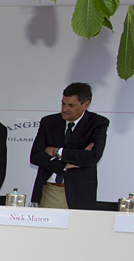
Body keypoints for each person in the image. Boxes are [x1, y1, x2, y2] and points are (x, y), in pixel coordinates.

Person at [29, 82, 109, 210]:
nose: (65, 109)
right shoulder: (49, 122)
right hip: (49, 191)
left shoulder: (98, 123)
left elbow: (92, 157)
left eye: (71, 105)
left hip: (79, 194)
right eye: (63, 103)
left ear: (86, 104)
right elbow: (36, 156)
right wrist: (64, 165)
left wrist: (57, 151)